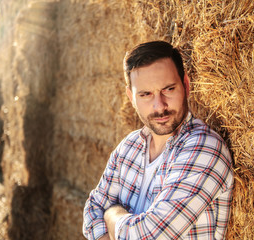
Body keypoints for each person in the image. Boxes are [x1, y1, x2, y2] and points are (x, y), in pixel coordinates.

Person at [83, 41, 234, 240]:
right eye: (146, 94)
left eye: (168, 89)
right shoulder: (128, 148)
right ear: (131, 98)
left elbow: (147, 237)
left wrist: (112, 214)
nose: (159, 105)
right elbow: (92, 211)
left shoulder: (205, 149)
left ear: (186, 86)